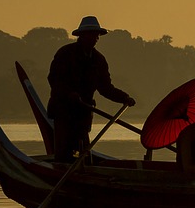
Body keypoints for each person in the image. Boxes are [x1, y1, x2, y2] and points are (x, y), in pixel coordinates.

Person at [47, 16, 136, 162]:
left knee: (83, 152)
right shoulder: (65, 53)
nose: (94, 38)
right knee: (63, 153)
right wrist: (70, 94)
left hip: (83, 113)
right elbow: (54, 80)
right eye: (91, 35)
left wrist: (124, 98)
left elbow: (105, 88)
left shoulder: (98, 60)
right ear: (81, 36)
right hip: (63, 111)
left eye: (96, 35)